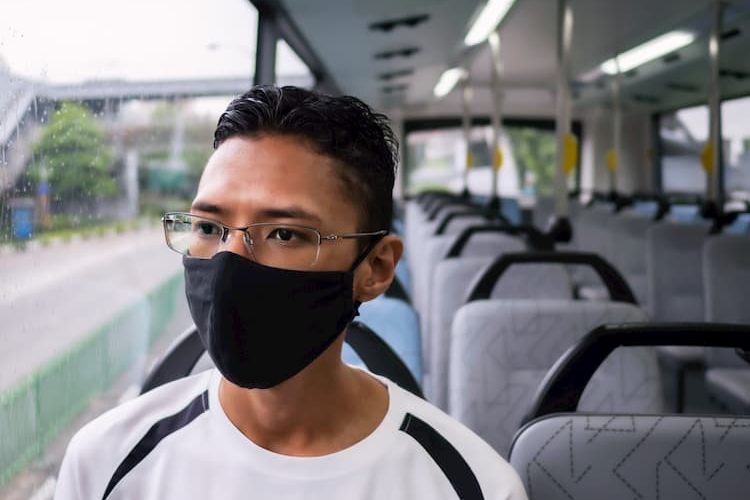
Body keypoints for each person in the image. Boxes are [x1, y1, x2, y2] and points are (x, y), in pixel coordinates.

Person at [54, 85, 527, 500]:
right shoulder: (106, 462)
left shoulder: (474, 485)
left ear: (376, 268)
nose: (229, 262)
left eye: (284, 234)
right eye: (207, 226)